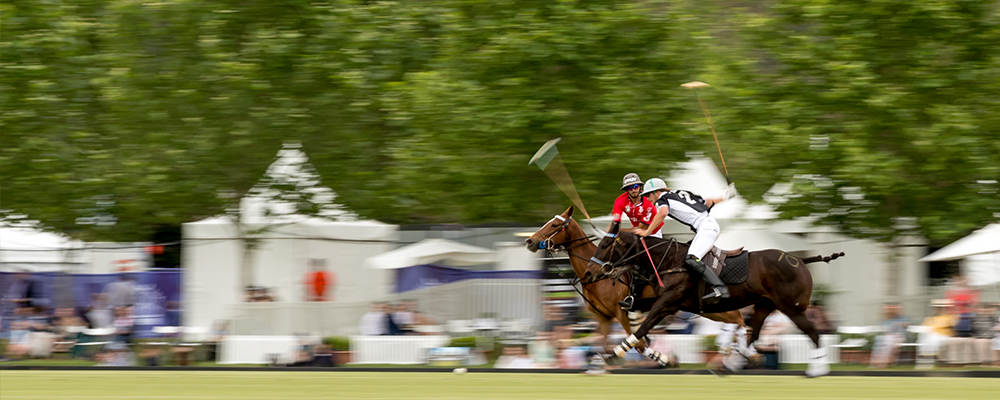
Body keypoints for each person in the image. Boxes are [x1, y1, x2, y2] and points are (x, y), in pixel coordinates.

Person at [634, 177, 737, 302]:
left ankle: (720, 288)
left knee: (692, 259)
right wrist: (725, 196)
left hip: (706, 228)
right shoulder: (679, 193)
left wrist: (646, 232)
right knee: (686, 255)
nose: (648, 198)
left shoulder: (662, 199)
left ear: (657, 192)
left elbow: (662, 213)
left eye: (648, 194)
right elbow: (708, 202)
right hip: (707, 226)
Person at [608, 173, 666, 310]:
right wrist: (609, 234)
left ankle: (636, 296)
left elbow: (641, 228)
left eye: (635, 186)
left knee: (644, 261)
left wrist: (618, 233)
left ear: (640, 187)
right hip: (636, 232)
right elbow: (615, 222)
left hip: (652, 232)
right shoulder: (620, 201)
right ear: (626, 190)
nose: (633, 190)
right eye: (629, 188)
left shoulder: (649, 205)